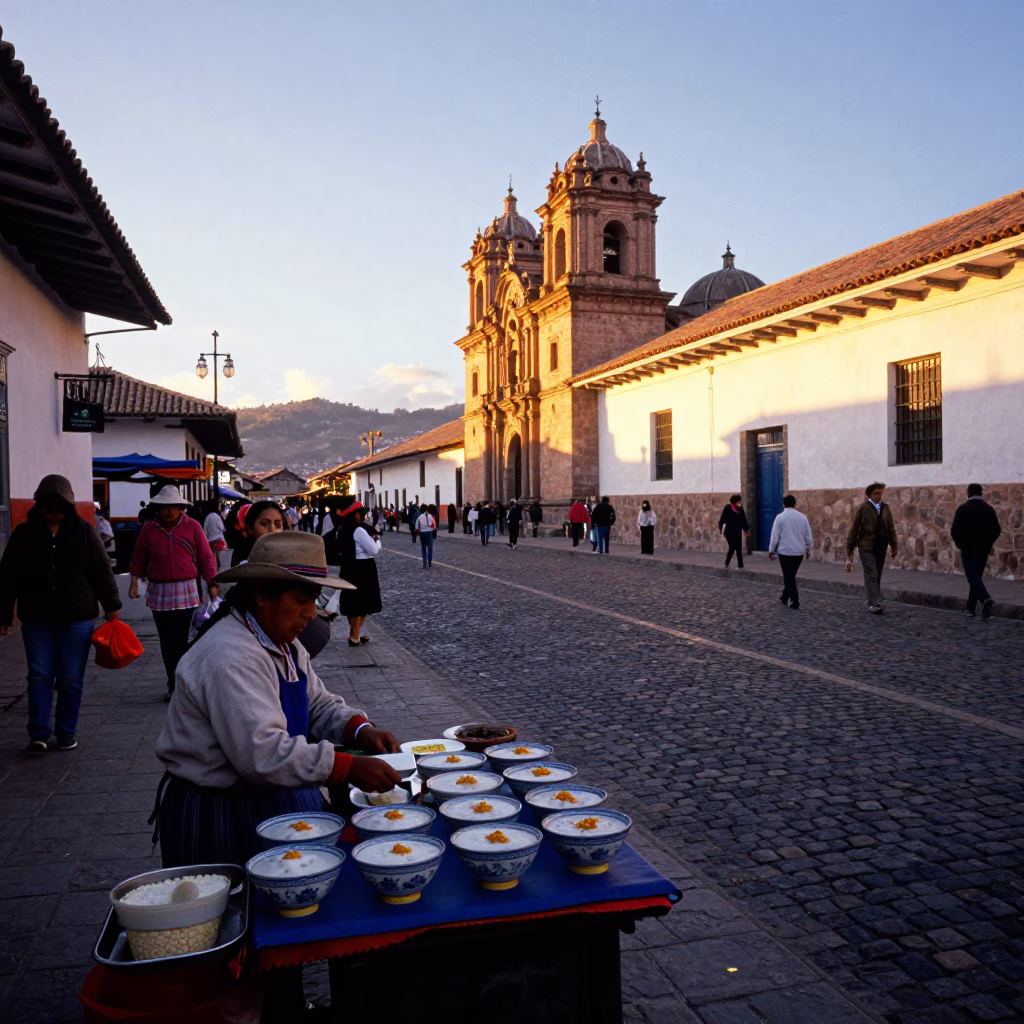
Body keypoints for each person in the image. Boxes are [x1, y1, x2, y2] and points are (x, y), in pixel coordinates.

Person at [152, 531, 402, 1015]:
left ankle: (284, 1004)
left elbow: (315, 701)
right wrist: (346, 766)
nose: (311, 613)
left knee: (284, 935)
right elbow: (263, 755)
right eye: (301, 599)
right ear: (262, 595)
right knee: (238, 942)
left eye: (314, 600)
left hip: (272, 799)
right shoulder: (230, 656)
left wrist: (360, 727)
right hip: (220, 812)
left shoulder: (281, 642)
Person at [0, 475, 122, 752]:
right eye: (48, 507)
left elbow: (101, 570)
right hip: (36, 618)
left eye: (59, 507)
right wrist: (4, 616)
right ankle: (39, 734)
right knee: (40, 676)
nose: (53, 513)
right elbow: (8, 576)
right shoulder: (25, 534)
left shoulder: (84, 531)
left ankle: (66, 731)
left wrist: (112, 606)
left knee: (70, 678)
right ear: (40, 506)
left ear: (67, 506)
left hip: (77, 618)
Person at [129, 485, 219, 701]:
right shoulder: (149, 530)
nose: (169, 511)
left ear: (181, 507)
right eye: (164, 507)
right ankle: (174, 682)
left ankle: (183, 683)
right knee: (166, 640)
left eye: (173, 507)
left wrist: (212, 582)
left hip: (185, 588)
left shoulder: (193, 527)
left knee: (180, 639)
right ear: (157, 508)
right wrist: (134, 582)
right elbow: (139, 557)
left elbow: (206, 557)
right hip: (159, 591)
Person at [846, 482, 898, 615]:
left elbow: (890, 527)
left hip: (881, 546)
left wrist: (894, 545)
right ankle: (874, 603)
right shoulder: (863, 508)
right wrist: (850, 547)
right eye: (876, 493)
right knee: (871, 574)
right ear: (869, 494)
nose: (879, 496)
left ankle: (876, 599)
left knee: (878, 575)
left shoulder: (885, 508)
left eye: (880, 493)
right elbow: (855, 528)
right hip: (866, 546)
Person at [333, 502, 382, 644]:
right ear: (356, 515)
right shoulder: (359, 531)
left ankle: (356, 633)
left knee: (353, 601)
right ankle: (354, 635)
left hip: (349, 567)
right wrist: (375, 541)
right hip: (363, 568)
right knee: (362, 603)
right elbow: (373, 550)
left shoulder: (341, 530)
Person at [951, 483, 1002, 619]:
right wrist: (989, 543)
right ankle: (971, 607)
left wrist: (960, 543)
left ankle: (985, 599)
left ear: (968, 493)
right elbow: (997, 530)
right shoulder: (989, 509)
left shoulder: (963, 509)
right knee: (976, 578)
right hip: (983, 548)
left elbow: (955, 530)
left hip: (968, 547)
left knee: (972, 576)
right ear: (981, 492)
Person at [769, 494, 813, 610]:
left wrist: (771, 550)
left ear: (784, 504)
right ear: (795, 504)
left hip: (785, 551)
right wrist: (809, 549)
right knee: (790, 575)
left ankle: (795, 600)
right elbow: (808, 536)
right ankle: (784, 596)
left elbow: (774, 537)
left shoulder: (780, 517)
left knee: (788, 576)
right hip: (798, 552)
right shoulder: (803, 517)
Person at [718, 495, 749, 568]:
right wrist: (720, 529)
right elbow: (722, 520)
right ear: (734, 502)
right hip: (729, 532)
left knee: (738, 549)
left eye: (739, 502)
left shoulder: (740, 509)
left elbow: (743, 520)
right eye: (738, 502)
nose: (739, 503)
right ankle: (727, 563)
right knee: (732, 547)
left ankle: (740, 566)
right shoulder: (728, 508)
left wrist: (745, 530)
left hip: (737, 531)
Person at [202, 501, 227, 568]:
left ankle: (214, 564)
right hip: (218, 538)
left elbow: (205, 528)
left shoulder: (208, 517)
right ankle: (217, 564)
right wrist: (224, 529)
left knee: (212, 554)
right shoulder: (217, 516)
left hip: (210, 539)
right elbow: (221, 527)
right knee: (218, 554)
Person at [415, 504, 437, 568]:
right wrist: (432, 529)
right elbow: (434, 525)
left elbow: (416, 526)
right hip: (429, 533)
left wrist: (418, 531)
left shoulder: (420, 516)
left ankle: (424, 562)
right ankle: (430, 561)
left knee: (423, 548)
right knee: (430, 548)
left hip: (422, 533)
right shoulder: (430, 516)